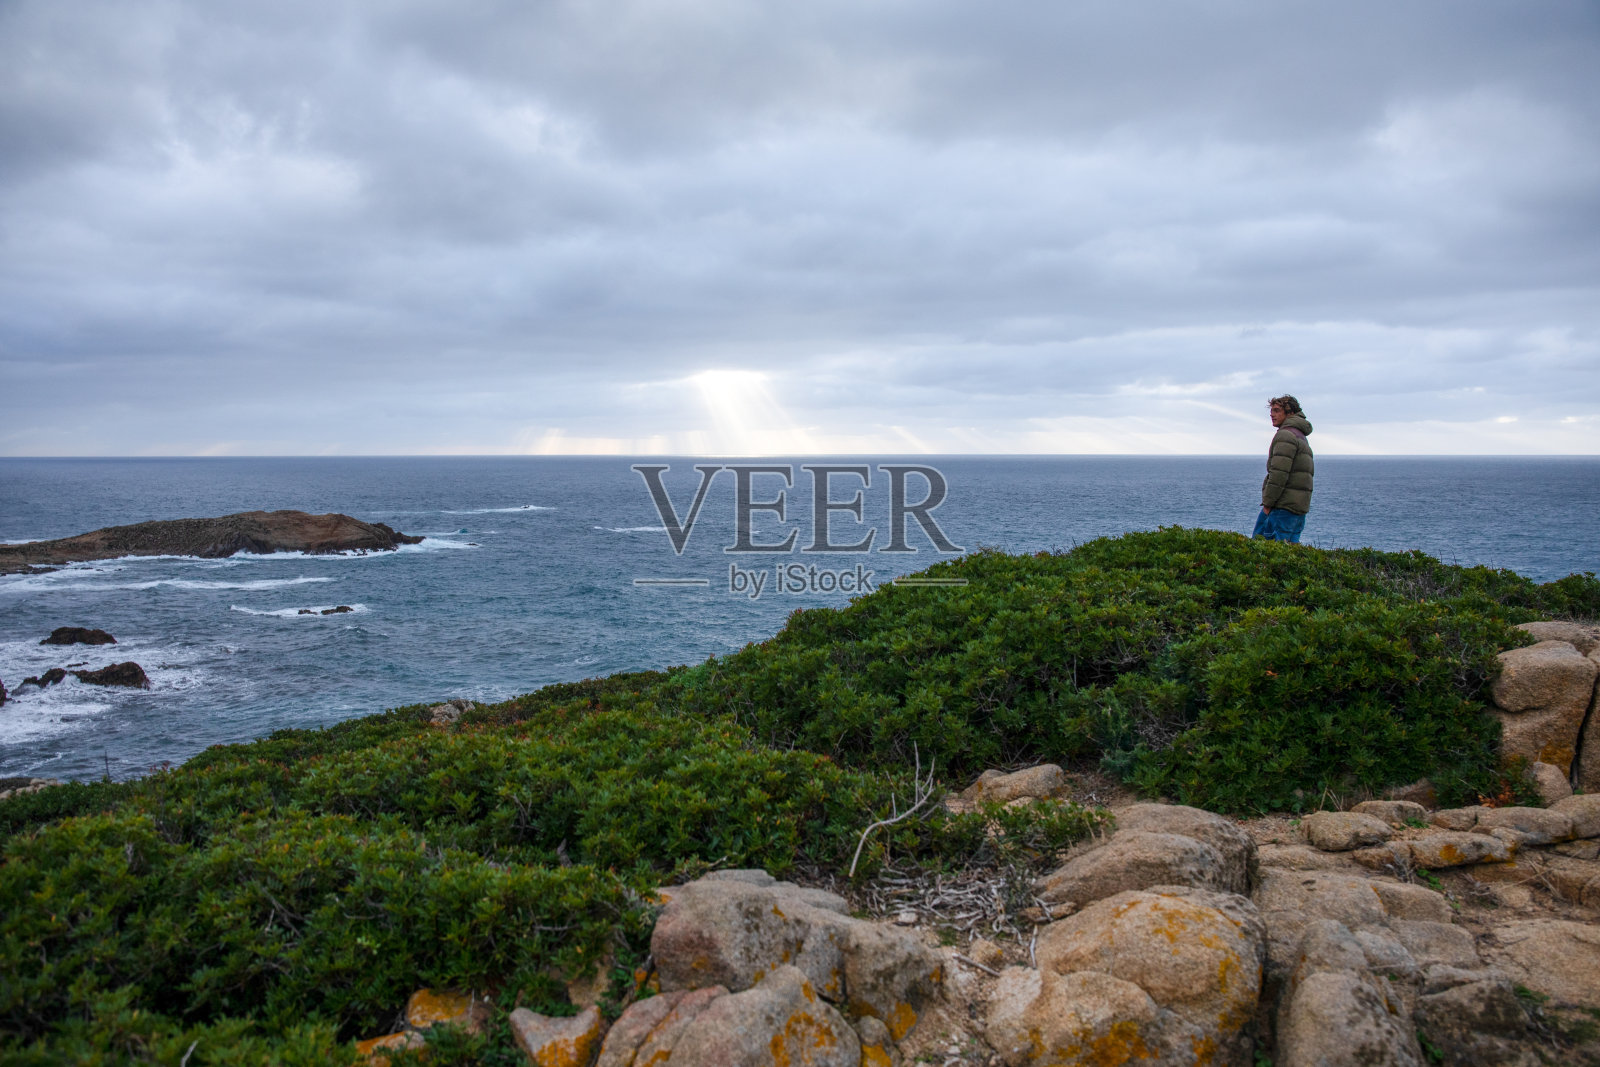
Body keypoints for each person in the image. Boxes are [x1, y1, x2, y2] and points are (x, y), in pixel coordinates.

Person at [1253, 394, 1313, 543]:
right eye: (1271, 410)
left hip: (1281, 508)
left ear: (1290, 412)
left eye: (1277, 410)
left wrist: (1268, 504)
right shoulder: (1300, 435)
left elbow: (1279, 474)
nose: (1272, 414)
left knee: (1262, 552)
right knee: (1289, 555)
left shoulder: (1286, 435)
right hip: (1297, 509)